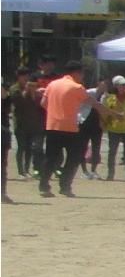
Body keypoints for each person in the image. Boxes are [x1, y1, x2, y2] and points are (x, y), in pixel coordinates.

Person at [37, 65, 91, 198]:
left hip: (53, 126)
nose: (82, 77)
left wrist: (55, 113)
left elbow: (43, 103)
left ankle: (44, 186)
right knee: (74, 158)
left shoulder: (52, 84)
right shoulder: (77, 87)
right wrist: (113, 113)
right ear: (77, 73)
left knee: (50, 158)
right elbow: (93, 103)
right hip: (70, 128)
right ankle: (65, 186)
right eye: (82, 74)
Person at [100, 77, 125, 181]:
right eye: (121, 85)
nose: (123, 86)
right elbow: (107, 113)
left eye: (124, 84)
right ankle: (110, 174)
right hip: (114, 128)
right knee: (112, 152)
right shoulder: (111, 99)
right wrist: (104, 124)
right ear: (116, 86)